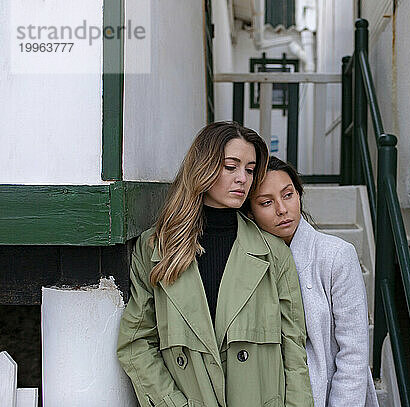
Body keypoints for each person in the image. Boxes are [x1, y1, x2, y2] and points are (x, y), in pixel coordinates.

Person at [117, 122, 314, 407]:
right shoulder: (156, 248)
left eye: (249, 169)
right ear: (204, 167)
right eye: (230, 166)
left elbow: (294, 354)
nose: (242, 179)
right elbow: (135, 343)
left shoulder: (273, 254)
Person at [246, 157, 378, 407]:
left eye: (288, 195)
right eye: (266, 202)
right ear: (250, 211)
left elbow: (354, 353)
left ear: (299, 194)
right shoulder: (246, 261)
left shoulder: (336, 255)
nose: (282, 209)